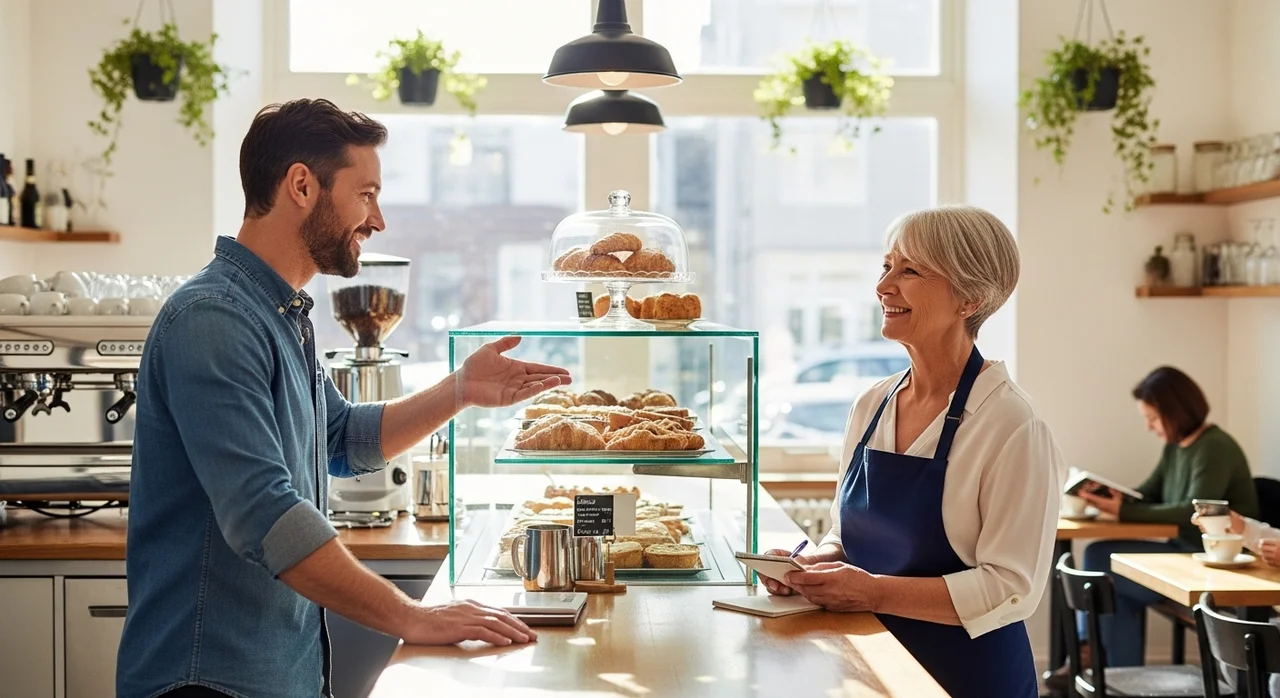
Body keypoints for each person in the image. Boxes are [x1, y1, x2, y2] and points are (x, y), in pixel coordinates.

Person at [116, 99, 572, 698]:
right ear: (302, 185)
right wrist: (412, 615)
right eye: (366, 194)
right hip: (209, 680)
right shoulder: (213, 321)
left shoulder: (279, 314)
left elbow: (340, 440)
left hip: (278, 674)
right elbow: (265, 516)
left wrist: (460, 391)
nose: (377, 219)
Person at [757, 205, 1069, 698]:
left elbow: (1011, 588)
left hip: (967, 676)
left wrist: (872, 591)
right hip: (868, 657)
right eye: (886, 267)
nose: (884, 286)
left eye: (910, 270)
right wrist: (811, 569)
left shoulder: (1012, 424)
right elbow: (847, 536)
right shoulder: (872, 404)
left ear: (970, 298)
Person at [1064, 366, 1258, 671]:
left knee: (1099, 558)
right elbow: (1148, 493)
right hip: (1187, 553)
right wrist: (1112, 499)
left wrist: (1122, 511)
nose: (1150, 428)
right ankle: (1114, 675)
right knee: (1112, 583)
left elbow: (1190, 511)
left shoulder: (1215, 447)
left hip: (1213, 562)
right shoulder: (1175, 448)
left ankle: (1090, 651)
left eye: (1153, 418)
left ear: (1176, 412)